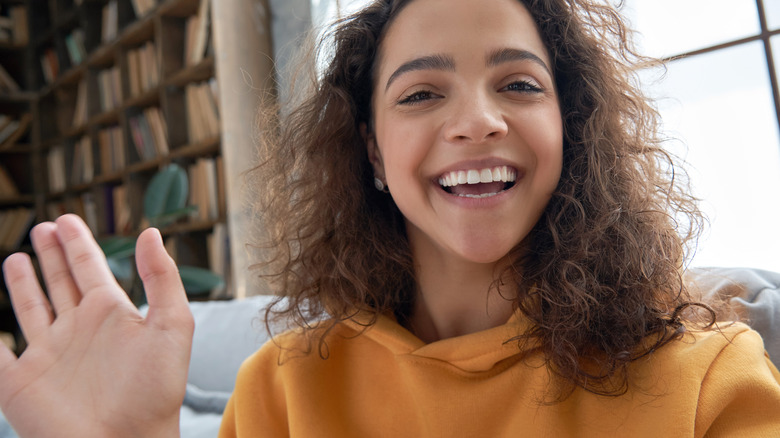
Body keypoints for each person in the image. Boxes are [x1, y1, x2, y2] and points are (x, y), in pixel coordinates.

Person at [1, 0, 779, 436]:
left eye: (519, 85)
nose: (478, 121)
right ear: (371, 153)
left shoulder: (705, 377)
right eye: (420, 93)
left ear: (570, 126)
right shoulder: (284, 389)